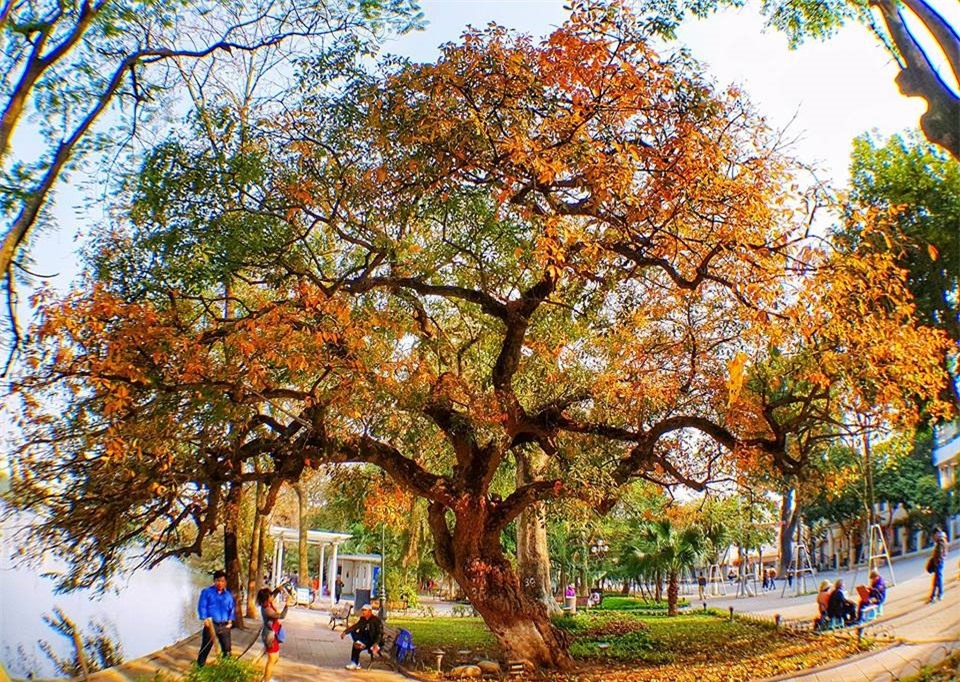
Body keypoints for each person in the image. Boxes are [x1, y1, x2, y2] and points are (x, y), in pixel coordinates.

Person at [197, 570, 234, 666]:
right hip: (211, 624)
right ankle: (200, 667)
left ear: (225, 582)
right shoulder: (207, 592)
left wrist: (230, 621)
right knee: (206, 647)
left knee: (227, 649)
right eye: (218, 580)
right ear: (214, 581)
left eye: (222, 581)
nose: (220, 583)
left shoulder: (228, 595)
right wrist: (204, 618)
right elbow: (202, 606)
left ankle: (226, 668)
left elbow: (231, 608)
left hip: (225, 625)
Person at [257, 587, 289, 682]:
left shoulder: (267, 603)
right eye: (270, 595)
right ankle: (266, 679)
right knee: (272, 659)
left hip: (273, 634)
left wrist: (278, 589)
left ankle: (266, 677)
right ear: (266, 598)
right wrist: (287, 605)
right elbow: (282, 616)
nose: (272, 596)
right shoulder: (267, 609)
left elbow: (273, 595)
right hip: (270, 636)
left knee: (275, 658)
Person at [341, 603, 383, 670]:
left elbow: (379, 634)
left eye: (365, 610)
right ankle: (355, 663)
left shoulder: (376, 621)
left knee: (357, 645)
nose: (363, 612)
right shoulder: (362, 619)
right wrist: (345, 632)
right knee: (356, 642)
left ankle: (355, 663)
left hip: (372, 641)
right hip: (364, 638)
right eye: (362, 610)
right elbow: (356, 626)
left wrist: (376, 643)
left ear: (370, 611)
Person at [927, 528, 948, 603]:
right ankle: (933, 596)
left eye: (934, 535)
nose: (934, 537)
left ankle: (940, 594)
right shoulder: (941, 539)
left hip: (939, 562)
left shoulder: (941, 540)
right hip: (939, 562)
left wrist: (936, 562)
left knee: (938, 579)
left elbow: (940, 553)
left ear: (936, 534)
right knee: (936, 580)